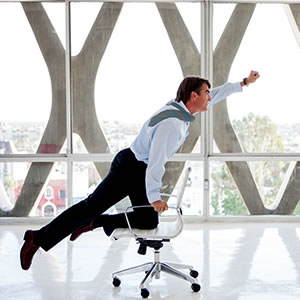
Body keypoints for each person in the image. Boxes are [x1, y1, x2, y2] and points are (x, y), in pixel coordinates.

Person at [20, 70, 260, 270]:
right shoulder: (173, 124)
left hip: (137, 166)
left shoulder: (180, 108)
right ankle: (37, 238)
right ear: (193, 95)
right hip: (131, 168)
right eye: (206, 93)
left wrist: (243, 84)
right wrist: (154, 197)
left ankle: (95, 222)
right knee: (89, 206)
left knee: (146, 220)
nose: (210, 97)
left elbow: (216, 95)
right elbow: (156, 162)